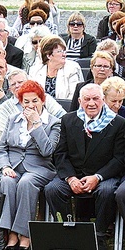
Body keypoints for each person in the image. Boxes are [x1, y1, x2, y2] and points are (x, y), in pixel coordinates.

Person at [45, 84, 125, 250]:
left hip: (103, 176)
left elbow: (119, 159)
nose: (91, 103)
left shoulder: (118, 123)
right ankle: (66, 231)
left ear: (103, 100)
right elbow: (60, 153)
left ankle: (99, 236)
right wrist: (71, 178)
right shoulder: (68, 120)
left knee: (107, 191)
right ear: (80, 101)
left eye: (96, 99)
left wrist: (97, 177)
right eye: (87, 99)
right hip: (74, 174)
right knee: (52, 189)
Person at [0, 80, 61, 250]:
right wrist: (5, 167)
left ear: (42, 100)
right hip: (13, 166)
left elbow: (48, 151)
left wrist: (36, 124)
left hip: (40, 167)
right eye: (26, 102)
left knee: (26, 182)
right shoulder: (13, 119)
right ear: (21, 103)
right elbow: (1, 149)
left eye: (35, 101)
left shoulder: (53, 122)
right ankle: (10, 233)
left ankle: (24, 234)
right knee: (8, 181)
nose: (31, 105)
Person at [0, 69, 66, 139]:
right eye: (13, 84)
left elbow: (63, 118)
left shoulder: (44, 98)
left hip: (47, 141)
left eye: (20, 82)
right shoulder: (5, 107)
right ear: (10, 89)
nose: (17, 85)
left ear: (28, 82)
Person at [29, 35, 84, 100]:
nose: (64, 54)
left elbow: (73, 96)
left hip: (65, 108)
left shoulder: (72, 68)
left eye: (64, 51)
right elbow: (31, 94)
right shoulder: (35, 70)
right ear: (49, 55)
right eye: (59, 51)